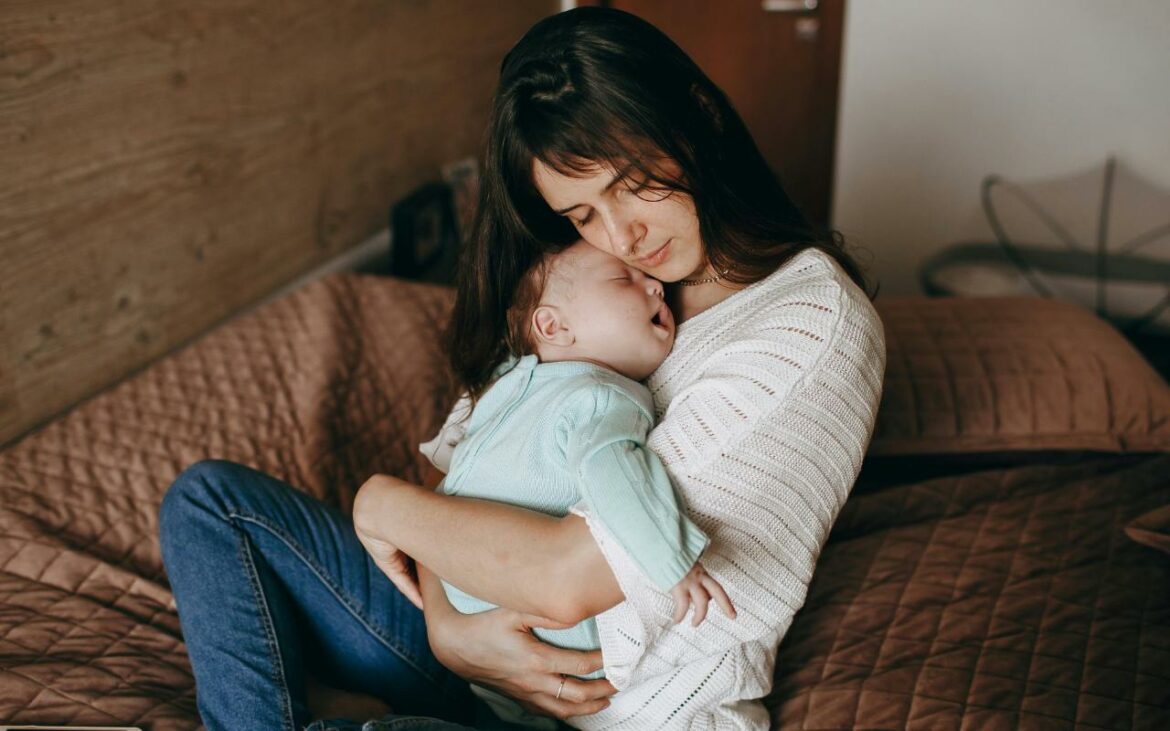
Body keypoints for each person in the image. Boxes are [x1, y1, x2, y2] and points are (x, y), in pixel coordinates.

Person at [159, 6, 885, 731]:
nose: (623, 237)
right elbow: (458, 477)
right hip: (472, 657)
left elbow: (566, 581)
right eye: (582, 214)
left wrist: (379, 504)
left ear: (700, 119)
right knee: (209, 502)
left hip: (603, 709)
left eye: (633, 182)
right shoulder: (584, 283)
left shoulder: (809, 323)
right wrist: (449, 630)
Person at [363, 240, 735, 728]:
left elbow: (617, 472)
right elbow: (445, 473)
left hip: (536, 646)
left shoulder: (603, 397)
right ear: (553, 326)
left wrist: (671, 559)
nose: (656, 286)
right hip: (477, 629)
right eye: (624, 279)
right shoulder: (523, 380)